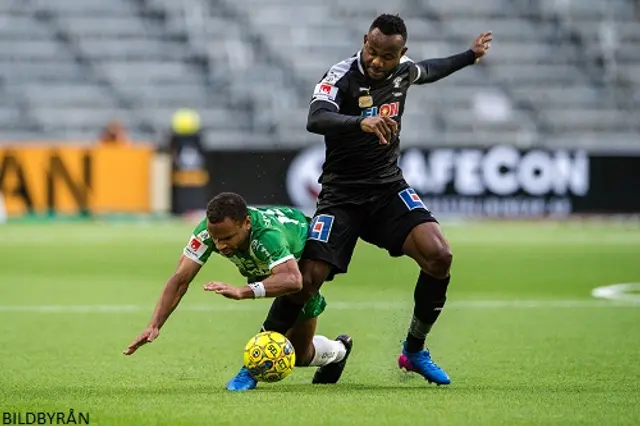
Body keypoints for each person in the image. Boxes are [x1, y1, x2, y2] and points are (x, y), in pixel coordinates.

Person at [243, 14, 492, 386]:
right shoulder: (340, 75)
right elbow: (316, 118)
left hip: (388, 189)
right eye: (372, 51)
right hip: (341, 196)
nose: (377, 61)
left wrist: (470, 55)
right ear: (364, 41)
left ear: (401, 54)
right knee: (307, 279)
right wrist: (359, 122)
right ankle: (253, 364)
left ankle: (414, 350)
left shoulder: (404, 71)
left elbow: (430, 69)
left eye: (387, 57)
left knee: (439, 255)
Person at [123, 192, 353, 391]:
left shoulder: (267, 236)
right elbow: (180, 279)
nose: (221, 246)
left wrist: (242, 291)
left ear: (246, 224)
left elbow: (294, 280)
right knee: (300, 356)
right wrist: (154, 325)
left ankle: (250, 370)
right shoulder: (209, 231)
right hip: (269, 268)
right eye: (216, 239)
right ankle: (340, 350)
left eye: (227, 238)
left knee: (297, 322)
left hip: (303, 260)